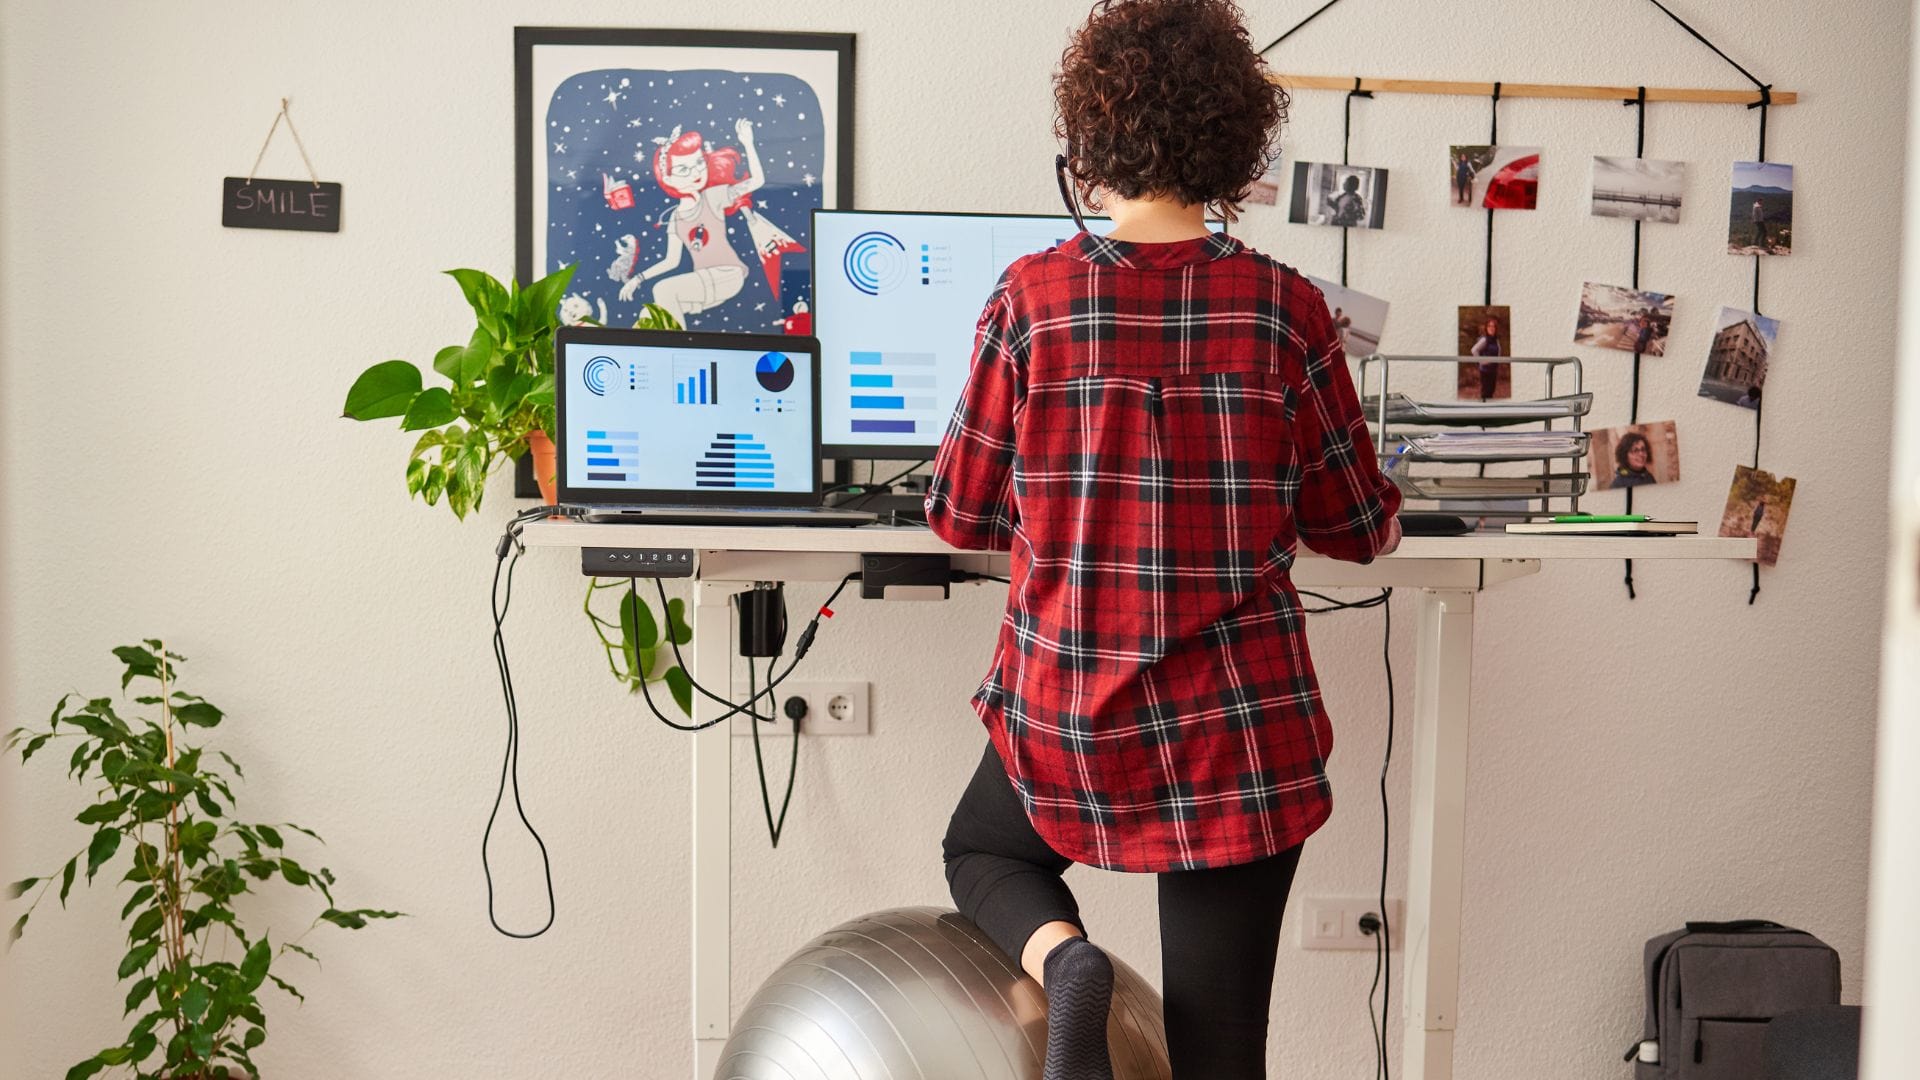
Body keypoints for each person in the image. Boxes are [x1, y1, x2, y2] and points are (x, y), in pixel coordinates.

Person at [925, 3, 1402, 1077]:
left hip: (1072, 716)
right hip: (1238, 733)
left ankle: (1066, 962)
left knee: (983, 851)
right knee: (1221, 1046)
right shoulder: (1286, 309)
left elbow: (956, 514)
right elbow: (1357, 530)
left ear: (1090, 147)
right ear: (1234, 146)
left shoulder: (1033, 300)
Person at [1470, 314, 1503, 401]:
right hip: (1485, 371)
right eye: (1489, 326)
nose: (1491, 328)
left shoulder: (1496, 340)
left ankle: (1490, 411)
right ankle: (1483, 411)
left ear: (1495, 329)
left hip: (1493, 371)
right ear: (1486, 328)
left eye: (1493, 326)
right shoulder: (1484, 340)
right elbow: (1474, 350)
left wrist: (1497, 363)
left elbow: (1499, 352)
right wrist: (1482, 361)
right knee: (1485, 393)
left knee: (1491, 392)